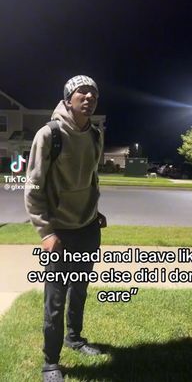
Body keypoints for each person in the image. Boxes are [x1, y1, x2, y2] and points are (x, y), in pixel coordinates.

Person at [24, 75, 107, 382]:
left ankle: (75, 338)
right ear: (68, 98)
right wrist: (45, 232)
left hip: (87, 228)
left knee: (81, 291)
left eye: (93, 94)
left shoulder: (96, 135)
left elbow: (91, 179)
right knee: (55, 300)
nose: (88, 97)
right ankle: (50, 362)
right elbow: (32, 186)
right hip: (59, 232)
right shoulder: (50, 134)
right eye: (81, 92)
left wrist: (95, 213)